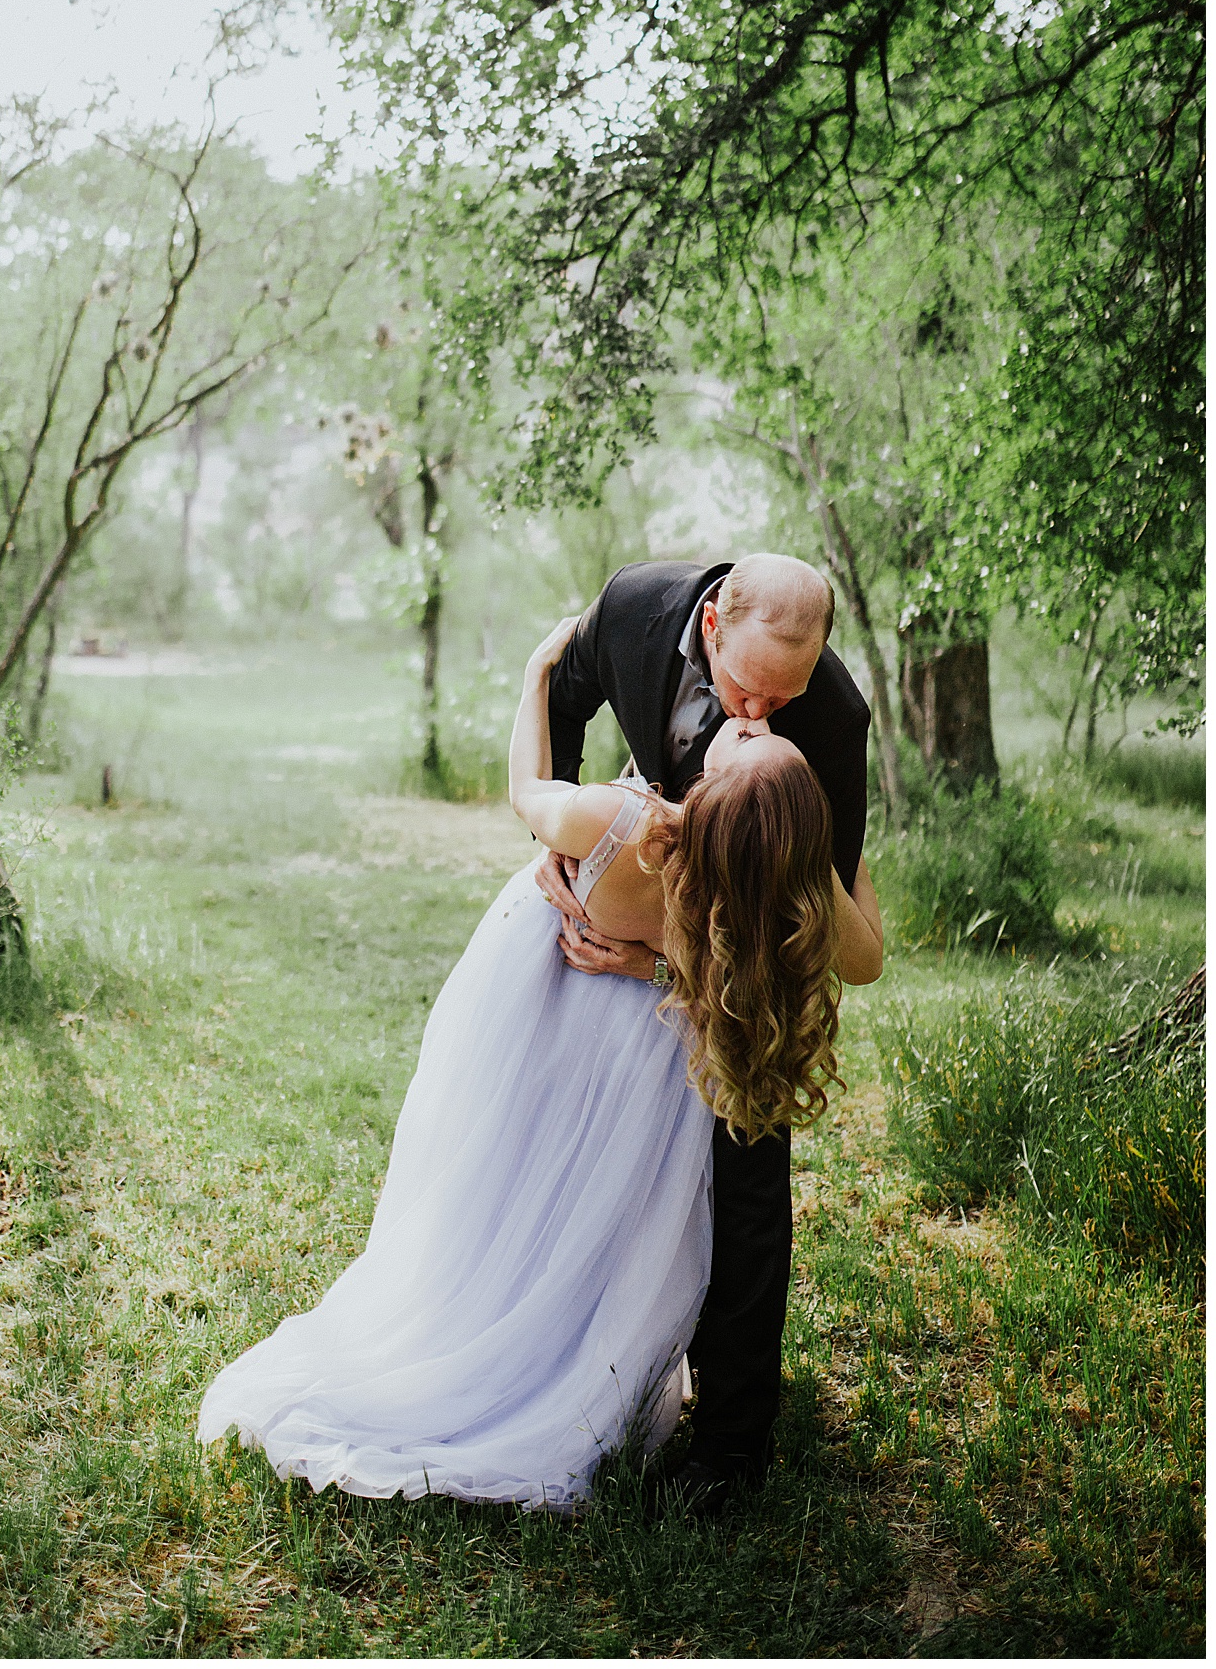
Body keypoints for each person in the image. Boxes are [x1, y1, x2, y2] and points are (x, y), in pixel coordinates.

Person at [194, 611, 883, 1511]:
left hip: (548, 989)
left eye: (751, 742)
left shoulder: (621, 819)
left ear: (712, 797)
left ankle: (512, 1346)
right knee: (603, 1206)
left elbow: (530, 792)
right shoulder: (751, 904)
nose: (746, 722)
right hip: (657, 1033)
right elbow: (860, 956)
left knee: (526, 1183)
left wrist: (532, 681)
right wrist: (829, 849)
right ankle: (575, 1364)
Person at [538, 551, 879, 1516]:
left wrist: (683, 974)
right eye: (746, 689)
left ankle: (732, 1444)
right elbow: (563, 699)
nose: (762, 715)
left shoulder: (834, 718)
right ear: (713, 627)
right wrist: (560, 850)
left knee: (747, 1170)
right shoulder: (635, 609)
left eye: (788, 696)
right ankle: (595, 1367)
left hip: (750, 964)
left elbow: (820, 908)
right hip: (638, 897)